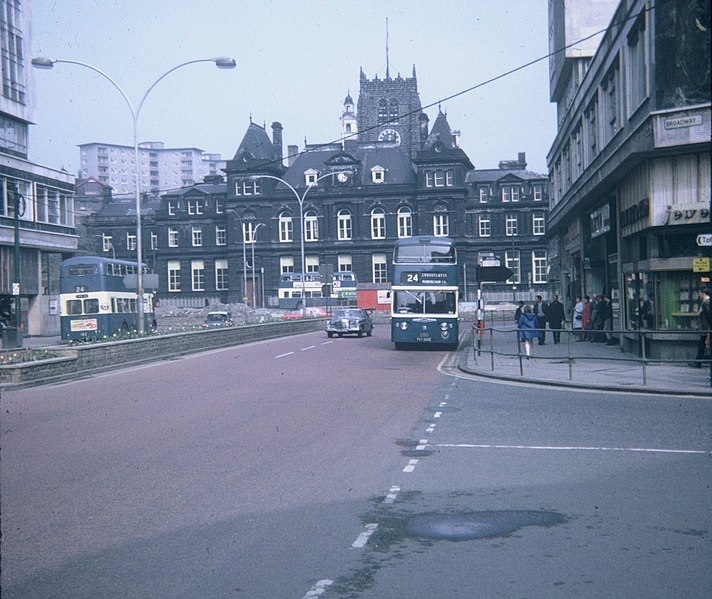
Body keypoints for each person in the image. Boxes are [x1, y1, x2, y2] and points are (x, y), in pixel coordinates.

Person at [692, 286, 710, 368]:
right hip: (704, 328)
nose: (699, 295)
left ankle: (698, 362)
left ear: (703, 293)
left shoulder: (706, 303)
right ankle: (697, 362)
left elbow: (709, 317)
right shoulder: (704, 302)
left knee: (702, 345)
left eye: (699, 293)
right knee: (701, 345)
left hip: (706, 329)